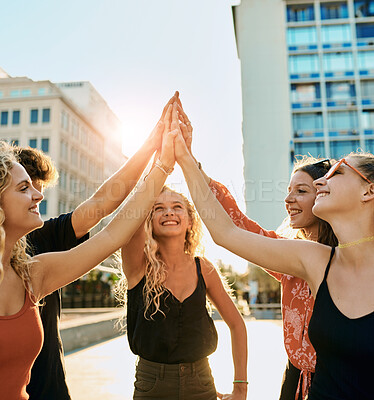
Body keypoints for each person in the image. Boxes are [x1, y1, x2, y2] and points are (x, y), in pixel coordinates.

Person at [175, 121, 374, 399]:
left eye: (337, 172)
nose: (289, 199)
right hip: (297, 384)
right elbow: (230, 229)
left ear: (369, 192)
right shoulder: (308, 258)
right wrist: (186, 159)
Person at [0, 98, 178, 400]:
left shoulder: (33, 274)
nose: (38, 197)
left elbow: (111, 235)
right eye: (24, 188)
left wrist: (162, 163)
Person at [120, 104, 248, 400]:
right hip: (151, 384)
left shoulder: (205, 269)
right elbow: (133, 210)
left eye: (178, 207)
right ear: (148, 219)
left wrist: (240, 387)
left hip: (201, 382)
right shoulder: (138, 265)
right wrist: (161, 153)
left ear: (190, 220)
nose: (169, 212)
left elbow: (237, 324)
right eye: (158, 208)